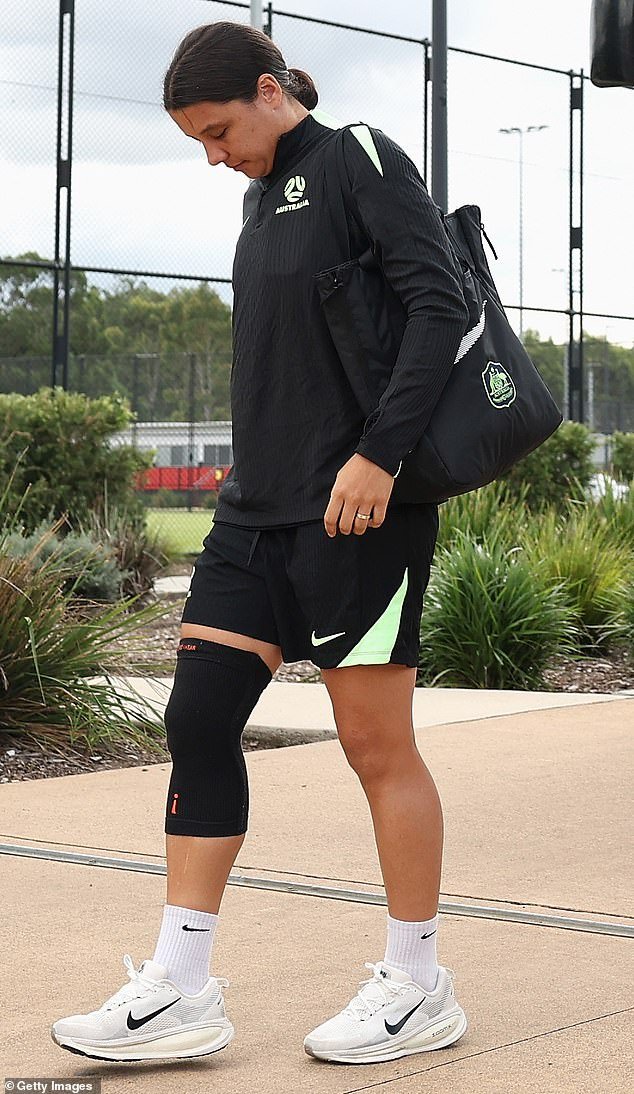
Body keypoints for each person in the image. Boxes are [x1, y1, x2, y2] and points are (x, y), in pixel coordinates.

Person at [51, 19, 470, 1066]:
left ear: (273, 89)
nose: (213, 153)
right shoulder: (257, 196)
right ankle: (181, 986)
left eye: (219, 128)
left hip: (359, 509)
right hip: (255, 511)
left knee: (376, 746)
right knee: (197, 717)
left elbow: (438, 304)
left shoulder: (359, 159)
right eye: (197, 138)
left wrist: (379, 454)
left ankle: (418, 981)